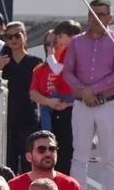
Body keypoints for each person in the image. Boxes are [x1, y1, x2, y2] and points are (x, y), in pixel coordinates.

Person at [61, 0, 114, 190]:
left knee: (109, 157)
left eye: (101, 14)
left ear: (110, 17)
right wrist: (84, 91)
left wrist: (93, 90)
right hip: (82, 104)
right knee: (79, 156)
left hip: (108, 104)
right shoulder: (77, 41)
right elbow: (68, 72)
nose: (96, 18)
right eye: (92, 14)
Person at [30, 22, 78, 175]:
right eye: (48, 43)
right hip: (50, 110)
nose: (52, 45)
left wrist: (67, 103)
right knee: (46, 148)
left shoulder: (72, 59)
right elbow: (33, 93)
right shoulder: (39, 69)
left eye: (56, 41)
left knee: (67, 155)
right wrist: (49, 101)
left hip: (69, 112)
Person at [7, 130, 84, 190]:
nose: (48, 153)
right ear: (29, 157)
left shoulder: (72, 186)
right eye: (41, 150)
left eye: (52, 149)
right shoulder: (13, 186)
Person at [0, 22, 40, 173]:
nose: (13, 39)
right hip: (6, 120)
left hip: (28, 119)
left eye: (17, 35)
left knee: (29, 162)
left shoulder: (35, 62)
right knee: (8, 164)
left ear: (25, 37)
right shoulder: (3, 63)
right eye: (9, 37)